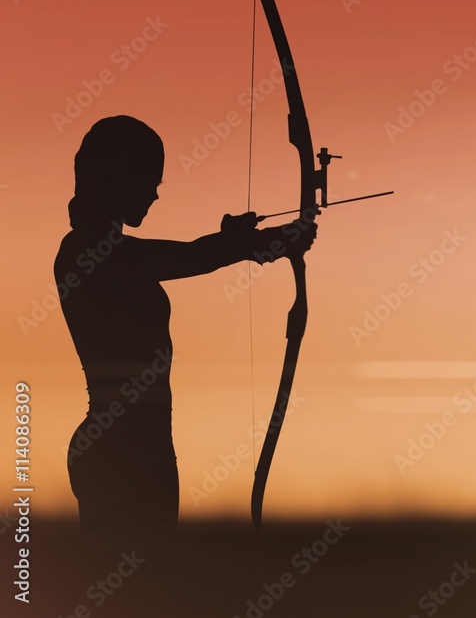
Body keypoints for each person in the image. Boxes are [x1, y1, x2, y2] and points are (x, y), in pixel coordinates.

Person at [56, 115, 315, 541]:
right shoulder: (88, 253)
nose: (156, 193)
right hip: (122, 452)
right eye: (148, 179)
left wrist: (248, 243)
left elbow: (190, 255)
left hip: (141, 448)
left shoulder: (101, 250)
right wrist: (253, 244)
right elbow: (189, 257)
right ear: (118, 178)